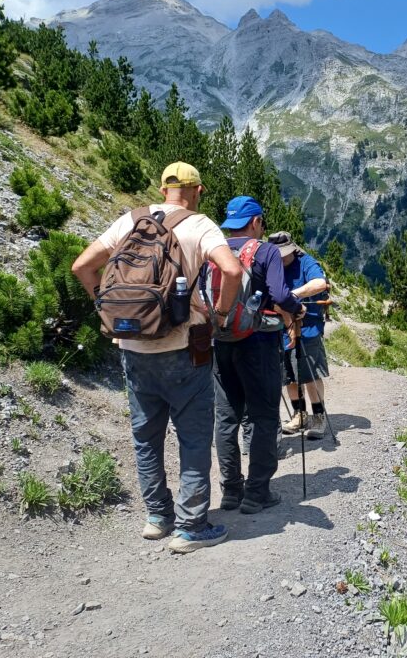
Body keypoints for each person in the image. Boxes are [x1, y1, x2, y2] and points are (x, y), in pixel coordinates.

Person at [71, 162, 243, 553]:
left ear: (163, 189)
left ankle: (157, 517)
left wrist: (110, 311)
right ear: (197, 190)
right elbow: (231, 270)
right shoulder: (199, 225)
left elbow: (81, 266)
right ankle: (191, 526)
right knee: (194, 437)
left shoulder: (129, 221)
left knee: (146, 437)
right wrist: (218, 314)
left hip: (132, 350)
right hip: (185, 348)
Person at [213, 196, 304, 514]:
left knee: (226, 418)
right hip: (259, 341)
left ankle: (230, 491)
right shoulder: (266, 251)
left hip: (222, 340)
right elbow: (280, 295)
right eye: (262, 223)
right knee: (264, 416)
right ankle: (257, 493)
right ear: (255, 222)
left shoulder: (216, 248)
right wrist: (297, 307)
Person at [268, 231, 331, 440]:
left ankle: (318, 415)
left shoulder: (306, 262)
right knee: (288, 374)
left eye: (285, 254)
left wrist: (293, 296)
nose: (283, 258)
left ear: (293, 249)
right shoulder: (272, 263)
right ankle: (299, 414)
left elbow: (320, 283)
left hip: (308, 326)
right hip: (281, 327)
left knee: (309, 373)